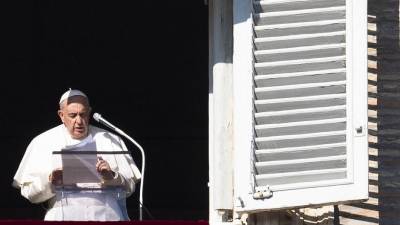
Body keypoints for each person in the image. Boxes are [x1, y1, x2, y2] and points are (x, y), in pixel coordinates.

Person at [12, 89, 141, 221]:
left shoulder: (109, 139)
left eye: (83, 114)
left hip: (107, 217)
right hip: (63, 218)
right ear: (61, 115)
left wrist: (112, 176)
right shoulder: (43, 141)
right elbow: (30, 194)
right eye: (73, 115)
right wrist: (50, 181)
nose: (79, 121)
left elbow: (130, 187)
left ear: (89, 112)